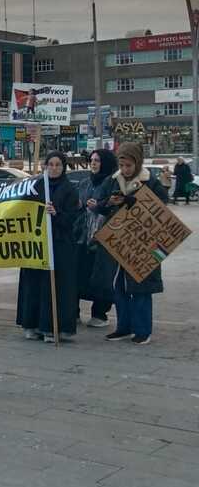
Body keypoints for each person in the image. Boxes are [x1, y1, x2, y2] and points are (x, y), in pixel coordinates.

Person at [94, 143, 168, 345]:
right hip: (118, 242)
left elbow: (162, 204)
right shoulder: (112, 181)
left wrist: (130, 201)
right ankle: (124, 327)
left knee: (141, 287)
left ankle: (143, 330)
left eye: (129, 165)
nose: (125, 169)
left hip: (142, 243)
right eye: (122, 165)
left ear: (137, 163)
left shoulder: (150, 182)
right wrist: (108, 203)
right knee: (119, 287)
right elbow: (98, 204)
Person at [16, 152, 80, 343]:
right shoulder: (35, 186)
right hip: (36, 243)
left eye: (57, 165)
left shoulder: (69, 189)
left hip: (60, 245)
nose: (53, 168)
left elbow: (74, 219)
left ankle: (53, 327)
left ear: (63, 167)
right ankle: (32, 324)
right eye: (50, 165)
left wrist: (56, 213)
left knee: (56, 286)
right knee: (33, 284)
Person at [77, 149, 117, 328]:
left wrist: (100, 206)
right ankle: (73, 311)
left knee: (102, 276)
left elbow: (116, 207)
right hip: (83, 237)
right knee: (80, 273)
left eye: (98, 160)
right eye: (92, 160)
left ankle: (99, 313)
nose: (93, 163)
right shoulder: (85, 183)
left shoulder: (113, 183)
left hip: (104, 238)